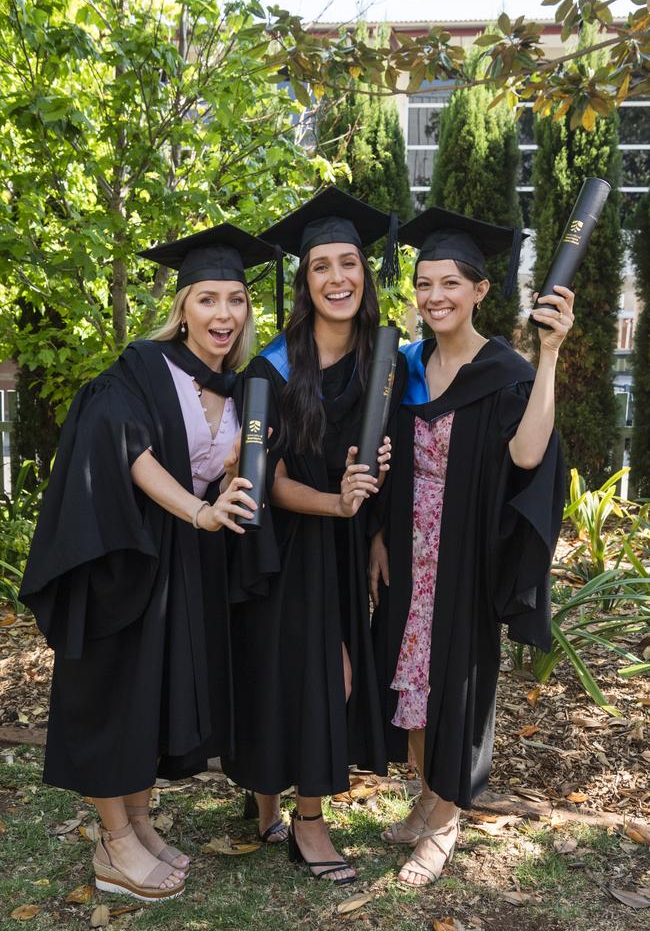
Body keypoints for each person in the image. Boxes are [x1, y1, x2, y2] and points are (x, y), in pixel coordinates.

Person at [19, 224, 279, 902]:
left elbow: (218, 474)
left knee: (148, 700)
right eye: (208, 300)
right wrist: (196, 511)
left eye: (235, 301)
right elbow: (124, 445)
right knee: (113, 697)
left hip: (183, 565)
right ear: (183, 307)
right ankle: (112, 845)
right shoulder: (141, 368)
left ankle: (137, 822)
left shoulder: (244, 385)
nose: (224, 315)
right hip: (122, 553)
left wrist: (226, 484)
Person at [370, 207, 571, 887]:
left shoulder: (504, 370)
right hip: (409, 546)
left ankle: (448, 818)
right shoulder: (409, 366)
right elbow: (384, 457)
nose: (434, 297)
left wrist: (548, 357)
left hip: (465, 552)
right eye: (424, 283)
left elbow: (528, 452)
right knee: (412, 683)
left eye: (450, 283)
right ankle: (427, 796)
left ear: (481, 290)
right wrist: (374, 534)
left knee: (456, 684)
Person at [221, 188, 405, 885]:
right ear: (304, 282)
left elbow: (386, 456)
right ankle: (307, 822)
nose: (337, 278)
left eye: (348, 263)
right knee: (312, 673)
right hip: (286, 542)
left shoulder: (383, 360)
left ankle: (267, 798)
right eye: (321, 265)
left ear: (365, 273)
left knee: (312, 672)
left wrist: (375, 499)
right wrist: (338, 502)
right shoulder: (272, 368)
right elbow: (266, 483)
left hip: (345, 541)